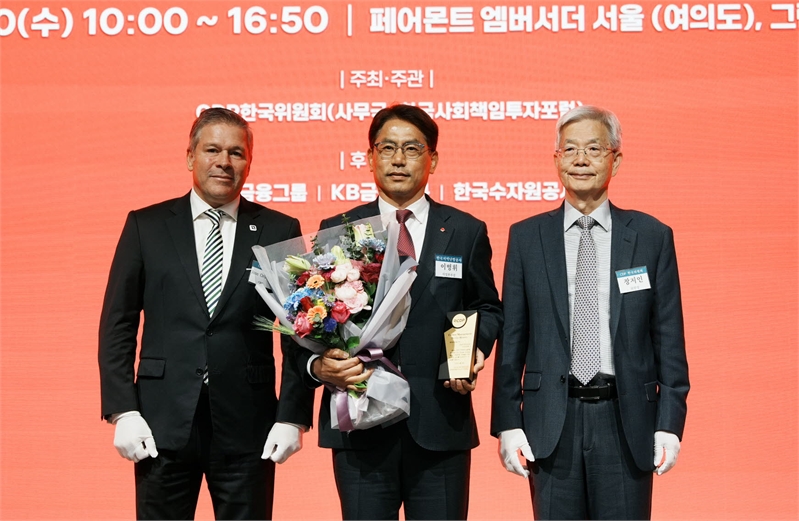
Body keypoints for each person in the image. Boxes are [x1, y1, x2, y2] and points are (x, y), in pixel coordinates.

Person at [98, 107, 314, 520]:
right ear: (190, 157)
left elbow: (299, 329)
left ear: (249, 162)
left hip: (248, 424)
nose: (224, 162)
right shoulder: (146, 226)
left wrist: (293, 416)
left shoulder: (278, 229)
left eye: (236, 152)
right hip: (161, 423)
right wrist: (123, 410)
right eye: (212, 150)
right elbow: (117, 325)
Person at [297, 104, 503, 520]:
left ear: (433, 159)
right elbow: (312, 313)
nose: (398, 159)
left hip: (440, 424)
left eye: (411, 148)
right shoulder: (339, 229)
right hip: (361, 422)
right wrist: (320, 363)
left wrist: (472, 352)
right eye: (387, 148)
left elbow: (487, 307)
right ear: (370, 157)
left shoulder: (465, 230)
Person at [491, 105, 689, 519]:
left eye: (594, 149)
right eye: (570, 149)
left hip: (626, 421)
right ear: (557, 160)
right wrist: (508, 422)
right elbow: (513, 340)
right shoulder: (527, 237)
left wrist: (669, 423)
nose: (581, 160)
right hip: (551, 423)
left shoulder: (651, 237)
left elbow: (669, 338)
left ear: (616, 160)